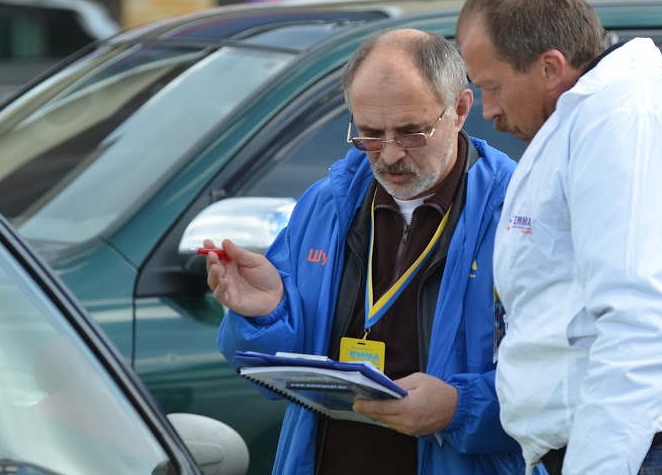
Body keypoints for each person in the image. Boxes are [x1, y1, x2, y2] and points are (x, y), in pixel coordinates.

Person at [455, 0, 662, 475]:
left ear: (550, 67)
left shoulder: (625, 120)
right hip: (639, 447)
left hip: (651, 451)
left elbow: (639, 322)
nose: (487, 110)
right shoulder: (601, 118)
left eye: (492, 86)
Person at [207, 28, 526, 475]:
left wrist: (460, 407)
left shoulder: (519, 213)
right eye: (370, 134)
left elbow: (564, 382)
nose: (389, 155)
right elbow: (278, 376)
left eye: (411, 133)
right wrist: (265, 314)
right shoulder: (324, 205)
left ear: (459, 110)